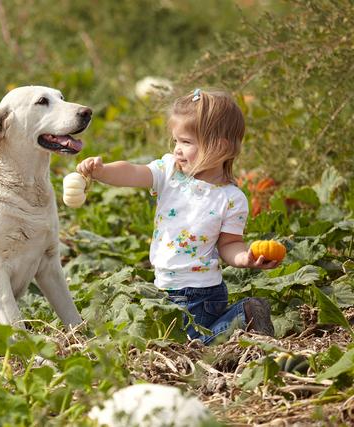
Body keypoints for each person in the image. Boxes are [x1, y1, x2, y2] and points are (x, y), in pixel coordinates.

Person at [77, 88, 280, 345]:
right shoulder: (169, 172)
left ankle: (243, 314)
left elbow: (229, 244)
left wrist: (244, 257)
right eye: (175, 141)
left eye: (186, 142)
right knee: (184, 340)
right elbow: (133, 172)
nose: (178, 150)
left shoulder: (231, 197)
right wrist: (103, 172)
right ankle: (237, 318)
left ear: (220, 146)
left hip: (200, 294)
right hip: (165, 286)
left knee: (186, 346)